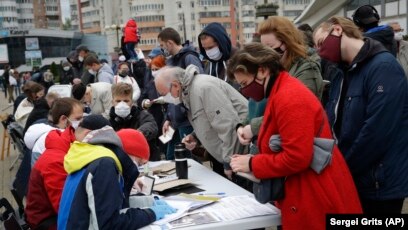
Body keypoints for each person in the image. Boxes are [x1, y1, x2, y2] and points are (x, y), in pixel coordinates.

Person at [228, 43, 362, 230]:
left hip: (315, 195)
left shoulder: (289, 97)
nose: (244, 91)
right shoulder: (281, 91)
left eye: (244, 83)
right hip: (308, 190)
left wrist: (252, 164)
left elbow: (297, 157)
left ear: (262, 71)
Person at [314, 16, 408, 214]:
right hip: (356, 179)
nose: (320, 52)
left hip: (378, 185)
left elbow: (377, 132)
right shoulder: (342, 72)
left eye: (321, 43)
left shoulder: (383, 67)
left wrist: (344, 167)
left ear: (338, 30)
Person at [58, 115, 176, 229]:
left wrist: (147, 202)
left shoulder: (88, 157)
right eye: (139, 163)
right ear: (129, 153)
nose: (137, 168)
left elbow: (108, 205)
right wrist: (151, 214)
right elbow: (110, 224)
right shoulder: (105, 165)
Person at [155, 65, 248, 178]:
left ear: (175, 85)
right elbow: (209, 120)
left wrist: (229, 163)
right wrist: (195, 136)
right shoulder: (188, 93)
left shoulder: (203, 88)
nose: (165, 99)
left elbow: (229, 125)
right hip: (232, 156)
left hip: (240, 156)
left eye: (164, 94)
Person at [25, 98, 83, 230]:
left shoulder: (56, 142)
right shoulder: (56, 159)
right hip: (49, 221)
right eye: (78, 118)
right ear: (64, 120)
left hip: (48, 214)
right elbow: (65, 208)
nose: (82, 123)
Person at [157, 28, 203, 160]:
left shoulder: (189, 58)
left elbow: (198, 84)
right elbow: (171, 94)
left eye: (162, 45)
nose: (161, 49)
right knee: (171, 157)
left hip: (186, 120)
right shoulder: (172, 61)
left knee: (187, 159)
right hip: (175, 120)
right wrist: (168, 117)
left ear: (169, 43)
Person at [258, 16, 323, 99]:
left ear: (287, 42)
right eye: (264, 48)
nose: (266, 53)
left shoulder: (307, 69)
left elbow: (299, 105)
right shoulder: (276, 69)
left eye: (270, 47)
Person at [24, 98, 84, 167]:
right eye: (78, 119)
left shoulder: (47, 133)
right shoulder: (54, 139)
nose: (82, 122)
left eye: (83, 117)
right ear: (63, 119)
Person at [109, 83, 160, 161]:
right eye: (118, 101)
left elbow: (151, 126)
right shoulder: (109, 121)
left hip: (147, 160)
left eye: (126, 101)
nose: (122, 104)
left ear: (132, 102)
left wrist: (136, 135)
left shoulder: (142, 114)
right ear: (113, 102)